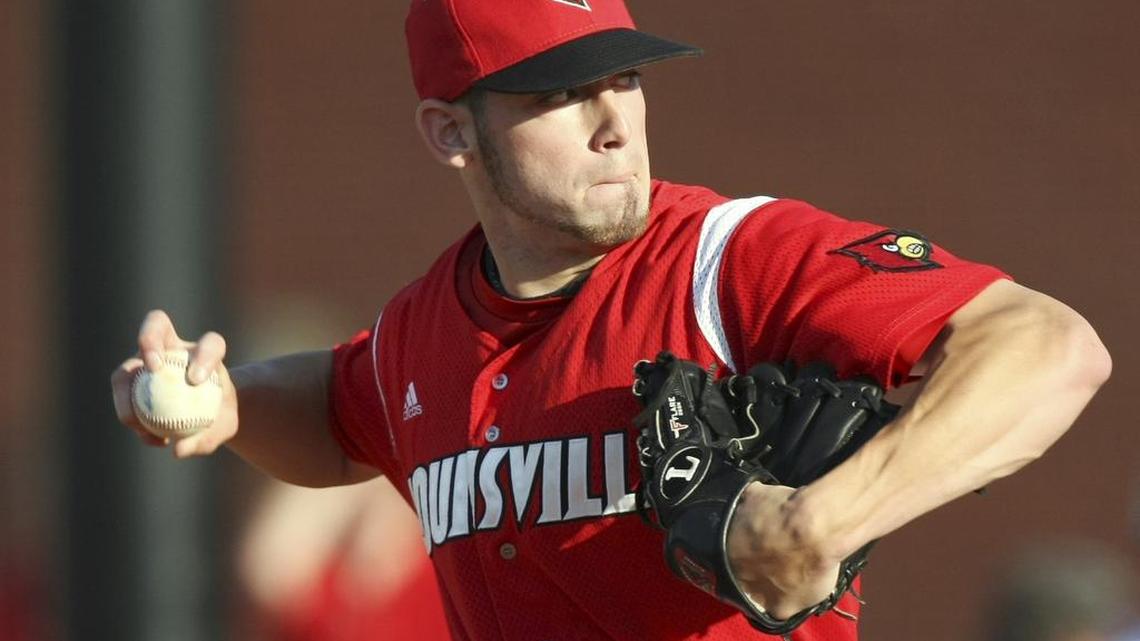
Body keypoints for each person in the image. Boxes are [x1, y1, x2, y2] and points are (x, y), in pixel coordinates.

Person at [110, 0, 1112, 639]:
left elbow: (1051, 347)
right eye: (561, 93)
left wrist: (823, 517)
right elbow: (338, 407)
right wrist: (230, 407)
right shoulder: (423, 329)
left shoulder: (730, 259)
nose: (613, 120)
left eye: (623, 77)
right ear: (451, 131)